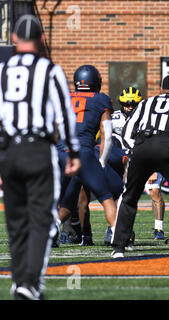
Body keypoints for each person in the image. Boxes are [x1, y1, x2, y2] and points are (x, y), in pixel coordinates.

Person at [0, 14, 81, 300]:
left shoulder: (4, 69)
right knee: (43, 221)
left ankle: (20, 281)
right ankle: (30, 283)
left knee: (16, 221)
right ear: (42, 39)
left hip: (9, 151)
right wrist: (74, 152)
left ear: (13, 39)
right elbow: (66, 115)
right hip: (38, 150)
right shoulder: (49, 69)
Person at [111, 74, 169, 259]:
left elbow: (128, 130)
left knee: (129, 196)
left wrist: (135, 150)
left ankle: (118, 248)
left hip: (142, 145)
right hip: (168, 145)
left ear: (160, 89)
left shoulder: (146, 103)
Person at [57, 64, 118, 247]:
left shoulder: (64, 97)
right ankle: (118, 234)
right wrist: (101, 161)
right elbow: (106, 133)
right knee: (107, 196)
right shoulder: (101, 99)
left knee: (66, 203)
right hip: (82, 152)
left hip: (60, 153)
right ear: (96, 82)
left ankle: (47, 233)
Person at [112, 86, 166, 240]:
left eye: (133, 105)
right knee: (122, 195)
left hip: (146, 157)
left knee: (155, 191)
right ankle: (120, 228)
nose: (129, 107)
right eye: (126, 104)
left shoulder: (149, 117)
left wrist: (154, 167)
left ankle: (159, 229)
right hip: (122, 161)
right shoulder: (113, 118)